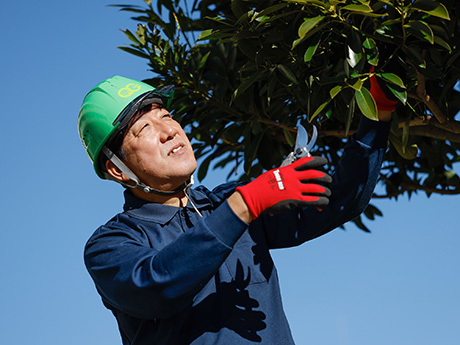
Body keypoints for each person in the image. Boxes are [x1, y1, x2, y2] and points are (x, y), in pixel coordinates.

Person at [78, 74, 394, 345]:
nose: (169, 130)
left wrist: (375, 121)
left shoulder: (224, 202)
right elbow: (156, 286)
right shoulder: (111, 244)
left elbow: (339, 202)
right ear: (117, 169)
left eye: (165, 115)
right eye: (143, 128)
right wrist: (245, 204)